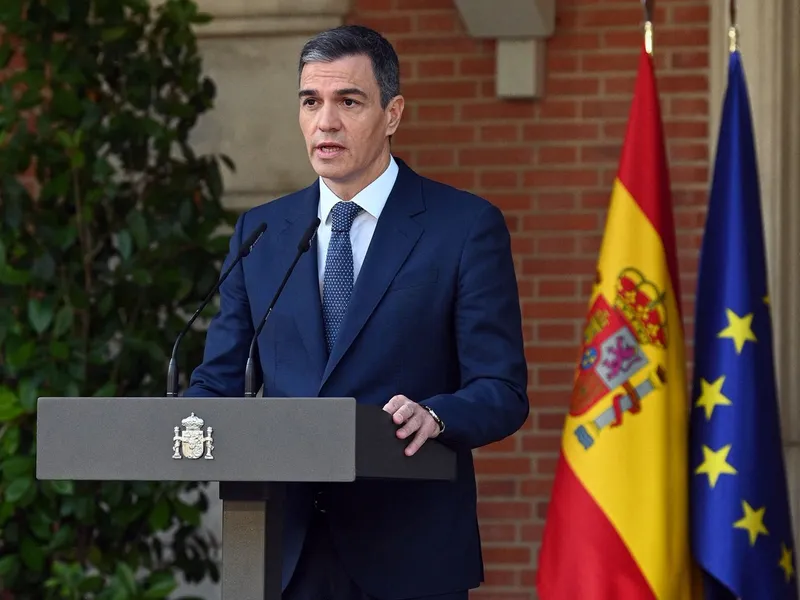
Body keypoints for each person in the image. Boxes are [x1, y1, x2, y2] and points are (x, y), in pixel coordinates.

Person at [183, 24, 529, 600]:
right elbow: (217, 382)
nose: (326, 122)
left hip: (407, 552)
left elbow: (501, 389)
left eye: (348, 101)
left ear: (392, 113)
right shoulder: (262, 232)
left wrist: (437, 416)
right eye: (310, 101)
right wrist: (175, 429)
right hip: (281, 552)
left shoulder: (464, 228)